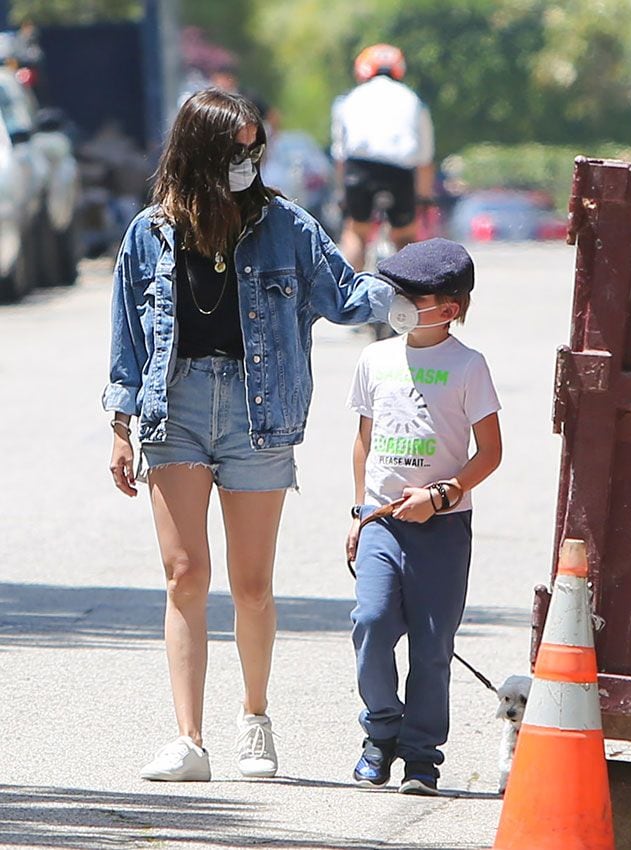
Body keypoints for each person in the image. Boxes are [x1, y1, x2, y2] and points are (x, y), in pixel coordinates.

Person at [102, 88, 392, 782]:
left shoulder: (285, 225)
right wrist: (120, 427)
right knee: (184, 576)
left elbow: (346, 295)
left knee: (252, 583)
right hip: (173, 408)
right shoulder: (149, 233)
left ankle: (254, 721)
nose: (251, 159)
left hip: (258, 413)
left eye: (256, 146)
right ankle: (189, 740)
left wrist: (417, 290)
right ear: (201, 150)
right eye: (238, 147)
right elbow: (126, 340)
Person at [345, 238, 502, 794]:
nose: (400, 303)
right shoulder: (375, 358)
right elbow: (364, 442)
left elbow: (490, 452)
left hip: (442, 528)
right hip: (382, 522)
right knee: (371, 622)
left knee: (433, 645)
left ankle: (420, 755)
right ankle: (380, 731)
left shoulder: (468, 367)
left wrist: (441, 495)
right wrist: (360, 513)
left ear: (450, 308)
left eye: (414, 295)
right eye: (397, 293)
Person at [331, 44, 435, 272]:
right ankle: (412, 293)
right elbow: (425, 158)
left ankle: (348, 294)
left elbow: (340, 155)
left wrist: (341, 195)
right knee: (405, 236)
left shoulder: (348, 99)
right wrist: (425, 198)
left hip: (360, 169)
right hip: (400, 171)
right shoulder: (413, 99)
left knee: (357, 232)